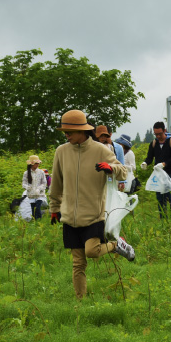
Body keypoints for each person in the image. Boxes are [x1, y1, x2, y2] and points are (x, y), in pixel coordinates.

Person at [49, 109, 135, 300]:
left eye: (69, 131)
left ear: (82, 131)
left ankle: (115, 244)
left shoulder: (100, 150)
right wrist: (55, 208)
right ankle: (81, 301)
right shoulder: (61, 151)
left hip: (94, 214)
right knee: (78, 263)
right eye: (64, 131)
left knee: (92, 252)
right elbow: (56, 182)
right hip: (70, 216)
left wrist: (110, 168)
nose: (66, 135)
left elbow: (123, 172)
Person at [141, 121, 171, 217]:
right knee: (160, 198)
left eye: (160, 134)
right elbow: (150, 157)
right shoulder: (154, 143)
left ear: (165, 131)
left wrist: (164, 164)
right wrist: (146, 163)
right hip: (159, 175)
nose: (158, 136)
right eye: (156, 134)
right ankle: (163, 219)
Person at [95, 125, 126, 191]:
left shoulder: (110, 147)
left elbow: (120, 163)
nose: (103, 138)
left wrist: (121, 181)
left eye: (105, 136)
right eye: (101, 136)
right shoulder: (93, 146)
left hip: (109, 175)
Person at [22, 155, 46, 220]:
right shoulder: (26, 173)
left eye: (38, 163)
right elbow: (23, 183)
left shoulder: (41, 172)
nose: (37, 165)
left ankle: (39, 221)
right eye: (36, 163)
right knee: (32, 209)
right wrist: (27, 187)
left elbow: (44, 183)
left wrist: (39, 188)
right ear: (32, 164)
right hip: (31, 194)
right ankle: (33, 221)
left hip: (40, 194)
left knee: (38, 208)